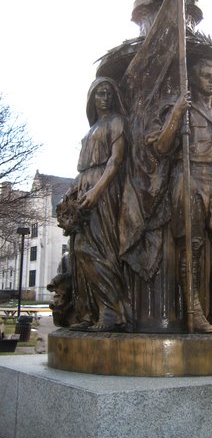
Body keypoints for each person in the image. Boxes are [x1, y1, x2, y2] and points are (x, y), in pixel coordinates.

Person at [149, 58, 212, 333]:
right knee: (190, 247)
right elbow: (160, 147)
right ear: (193, 79)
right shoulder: (181, 109)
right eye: (206, 75)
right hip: (189, 177)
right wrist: (176, 113)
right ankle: (194, 312)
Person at [61, 76, 132, 332]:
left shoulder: (116, 121)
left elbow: (116, 161)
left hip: (104, 188)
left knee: (99, 249)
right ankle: (90, 311)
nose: (105, 98)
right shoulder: (91, 130)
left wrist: (97, 190)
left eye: (109, 93)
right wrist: (73, 191)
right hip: (85, 187)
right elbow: (82, 170)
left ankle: (112, 312)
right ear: (92, 98)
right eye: (100, 93)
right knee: (80, 250)